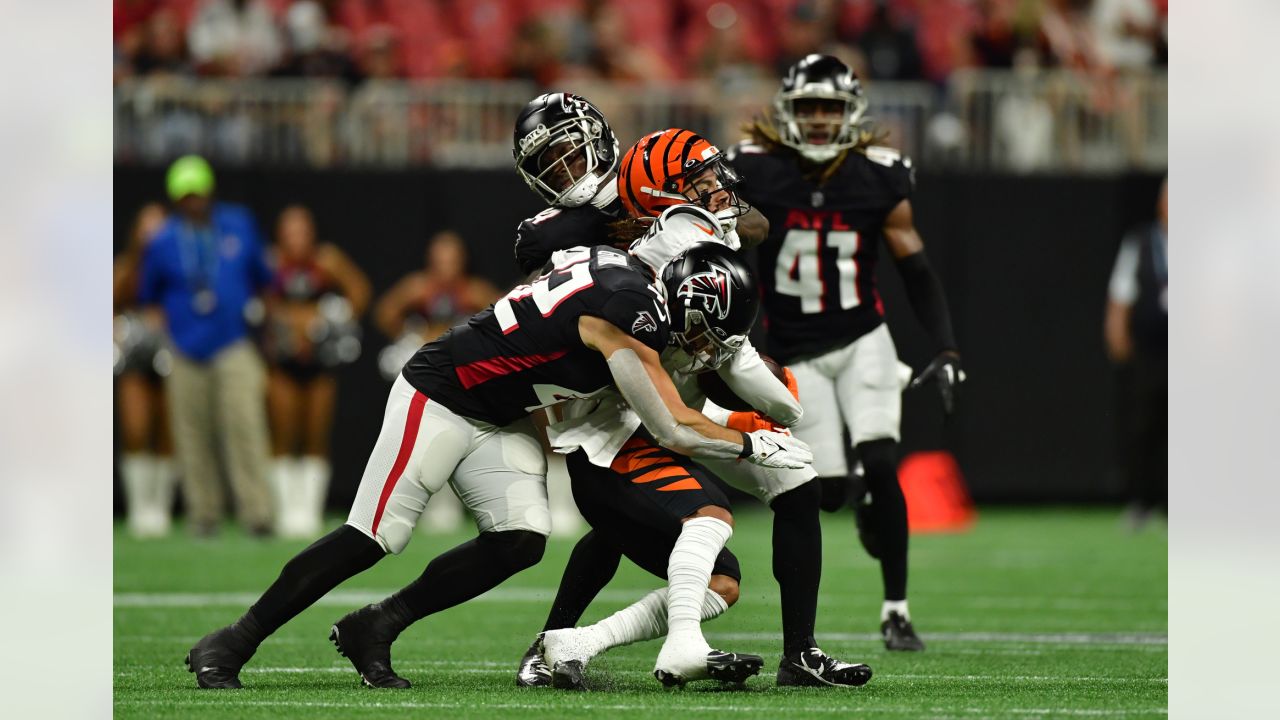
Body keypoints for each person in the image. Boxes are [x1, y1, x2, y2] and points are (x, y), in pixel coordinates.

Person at [184, 242, 809, 690]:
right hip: (441, 393)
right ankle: (234, 640)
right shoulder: (624, 319)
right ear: (688, 304)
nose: (708, 350)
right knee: (375, 535)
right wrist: (753, 444)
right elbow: (671, 425)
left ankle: (376, 625)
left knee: (520, 541)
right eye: (710, 333)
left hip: (500, 411)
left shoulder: (625, 276)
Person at [512, 117, 871, 689]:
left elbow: (753, 223)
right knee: (628, 522)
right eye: (700, 182)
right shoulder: (650, 240)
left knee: (796, 482)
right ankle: (567, 642)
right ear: (665, 196)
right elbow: (535, 245)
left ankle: (799, 653)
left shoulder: (687, 227)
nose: (719, 189)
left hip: (688, 381)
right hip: (624, 406)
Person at [727, 54, 966, 651]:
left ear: (850, 111)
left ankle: (896, 610)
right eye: (806, 107)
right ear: (787, 110)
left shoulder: (877, 176)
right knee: (827, 492)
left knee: (883, 461)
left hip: (863, 340)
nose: (816, 119)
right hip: (795, 351)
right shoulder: (753, 172)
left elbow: (916, 268)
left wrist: (944, 345)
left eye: (827, 107)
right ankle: (856, 493)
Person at [139, 155, 275, 537]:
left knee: (246, 427)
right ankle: (204, 514)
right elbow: (149, 294)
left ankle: (258, 512)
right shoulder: (163, 239)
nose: (193, 201)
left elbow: (265, 277)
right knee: (191, 433)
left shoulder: (239, 224)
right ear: (175, 198)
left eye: (198, 193)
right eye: (186, 195)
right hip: (184, 348)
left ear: (210, 191)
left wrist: (266, 320)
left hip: (233, 342)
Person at [372, 230, 501, 533]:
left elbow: (504, 318)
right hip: (431, 379)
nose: (445, 264)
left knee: (464, 441)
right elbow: (384, 313)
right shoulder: (418, 287)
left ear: (462, 261)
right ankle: (432, 506)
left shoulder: (476, 290)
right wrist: (410, 335)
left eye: (451, 258)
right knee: (428, 440)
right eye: (440, 258)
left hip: (467, 380)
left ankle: (468, 504)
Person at [263, 204, 372, 538]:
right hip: (282, 359)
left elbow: (359, 291)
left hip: (320, 359)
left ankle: (308, 511)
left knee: (315, 431)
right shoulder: (269, 261)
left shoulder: (327, 260)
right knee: (283, 430)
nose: (296, 237)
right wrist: (284, 320)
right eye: (290, 230)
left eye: (302, 230)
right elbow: (254, 297)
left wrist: (331, 320)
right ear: (280, 234)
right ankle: (285, 510)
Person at [1104, 178, 1167, 529]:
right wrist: (1117, 334)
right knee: (1145, 425)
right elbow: (1121, 291)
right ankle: (1143, 501)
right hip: (1149, 348)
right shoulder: (1141, 242)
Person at [114, 202, 177, 538]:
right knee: (136, 428)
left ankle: (161, 506)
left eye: (160, 226)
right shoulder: (127, 268)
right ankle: (140, 506)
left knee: (168, 430)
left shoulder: (178, 267)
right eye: (146, 227)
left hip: (171, 353)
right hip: (135, 358)